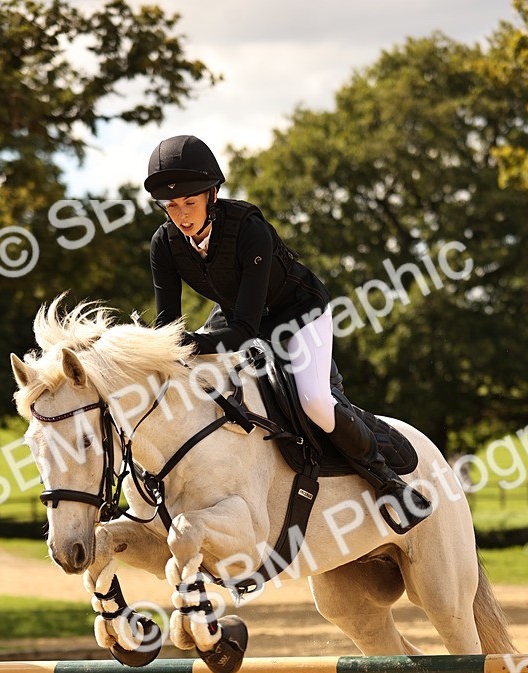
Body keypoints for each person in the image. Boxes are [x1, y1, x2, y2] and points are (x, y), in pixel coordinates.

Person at [144, 134, 430, 528]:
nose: (181, 215)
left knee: (313, 400)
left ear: (212, 195)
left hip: (297, 313)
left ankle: (388, 481)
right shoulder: (164, 243)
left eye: (190, 202)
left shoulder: (249, 229)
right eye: (171, 206)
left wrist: (191, 342)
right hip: (236, 315)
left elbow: (245, 332)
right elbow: (168, 325)